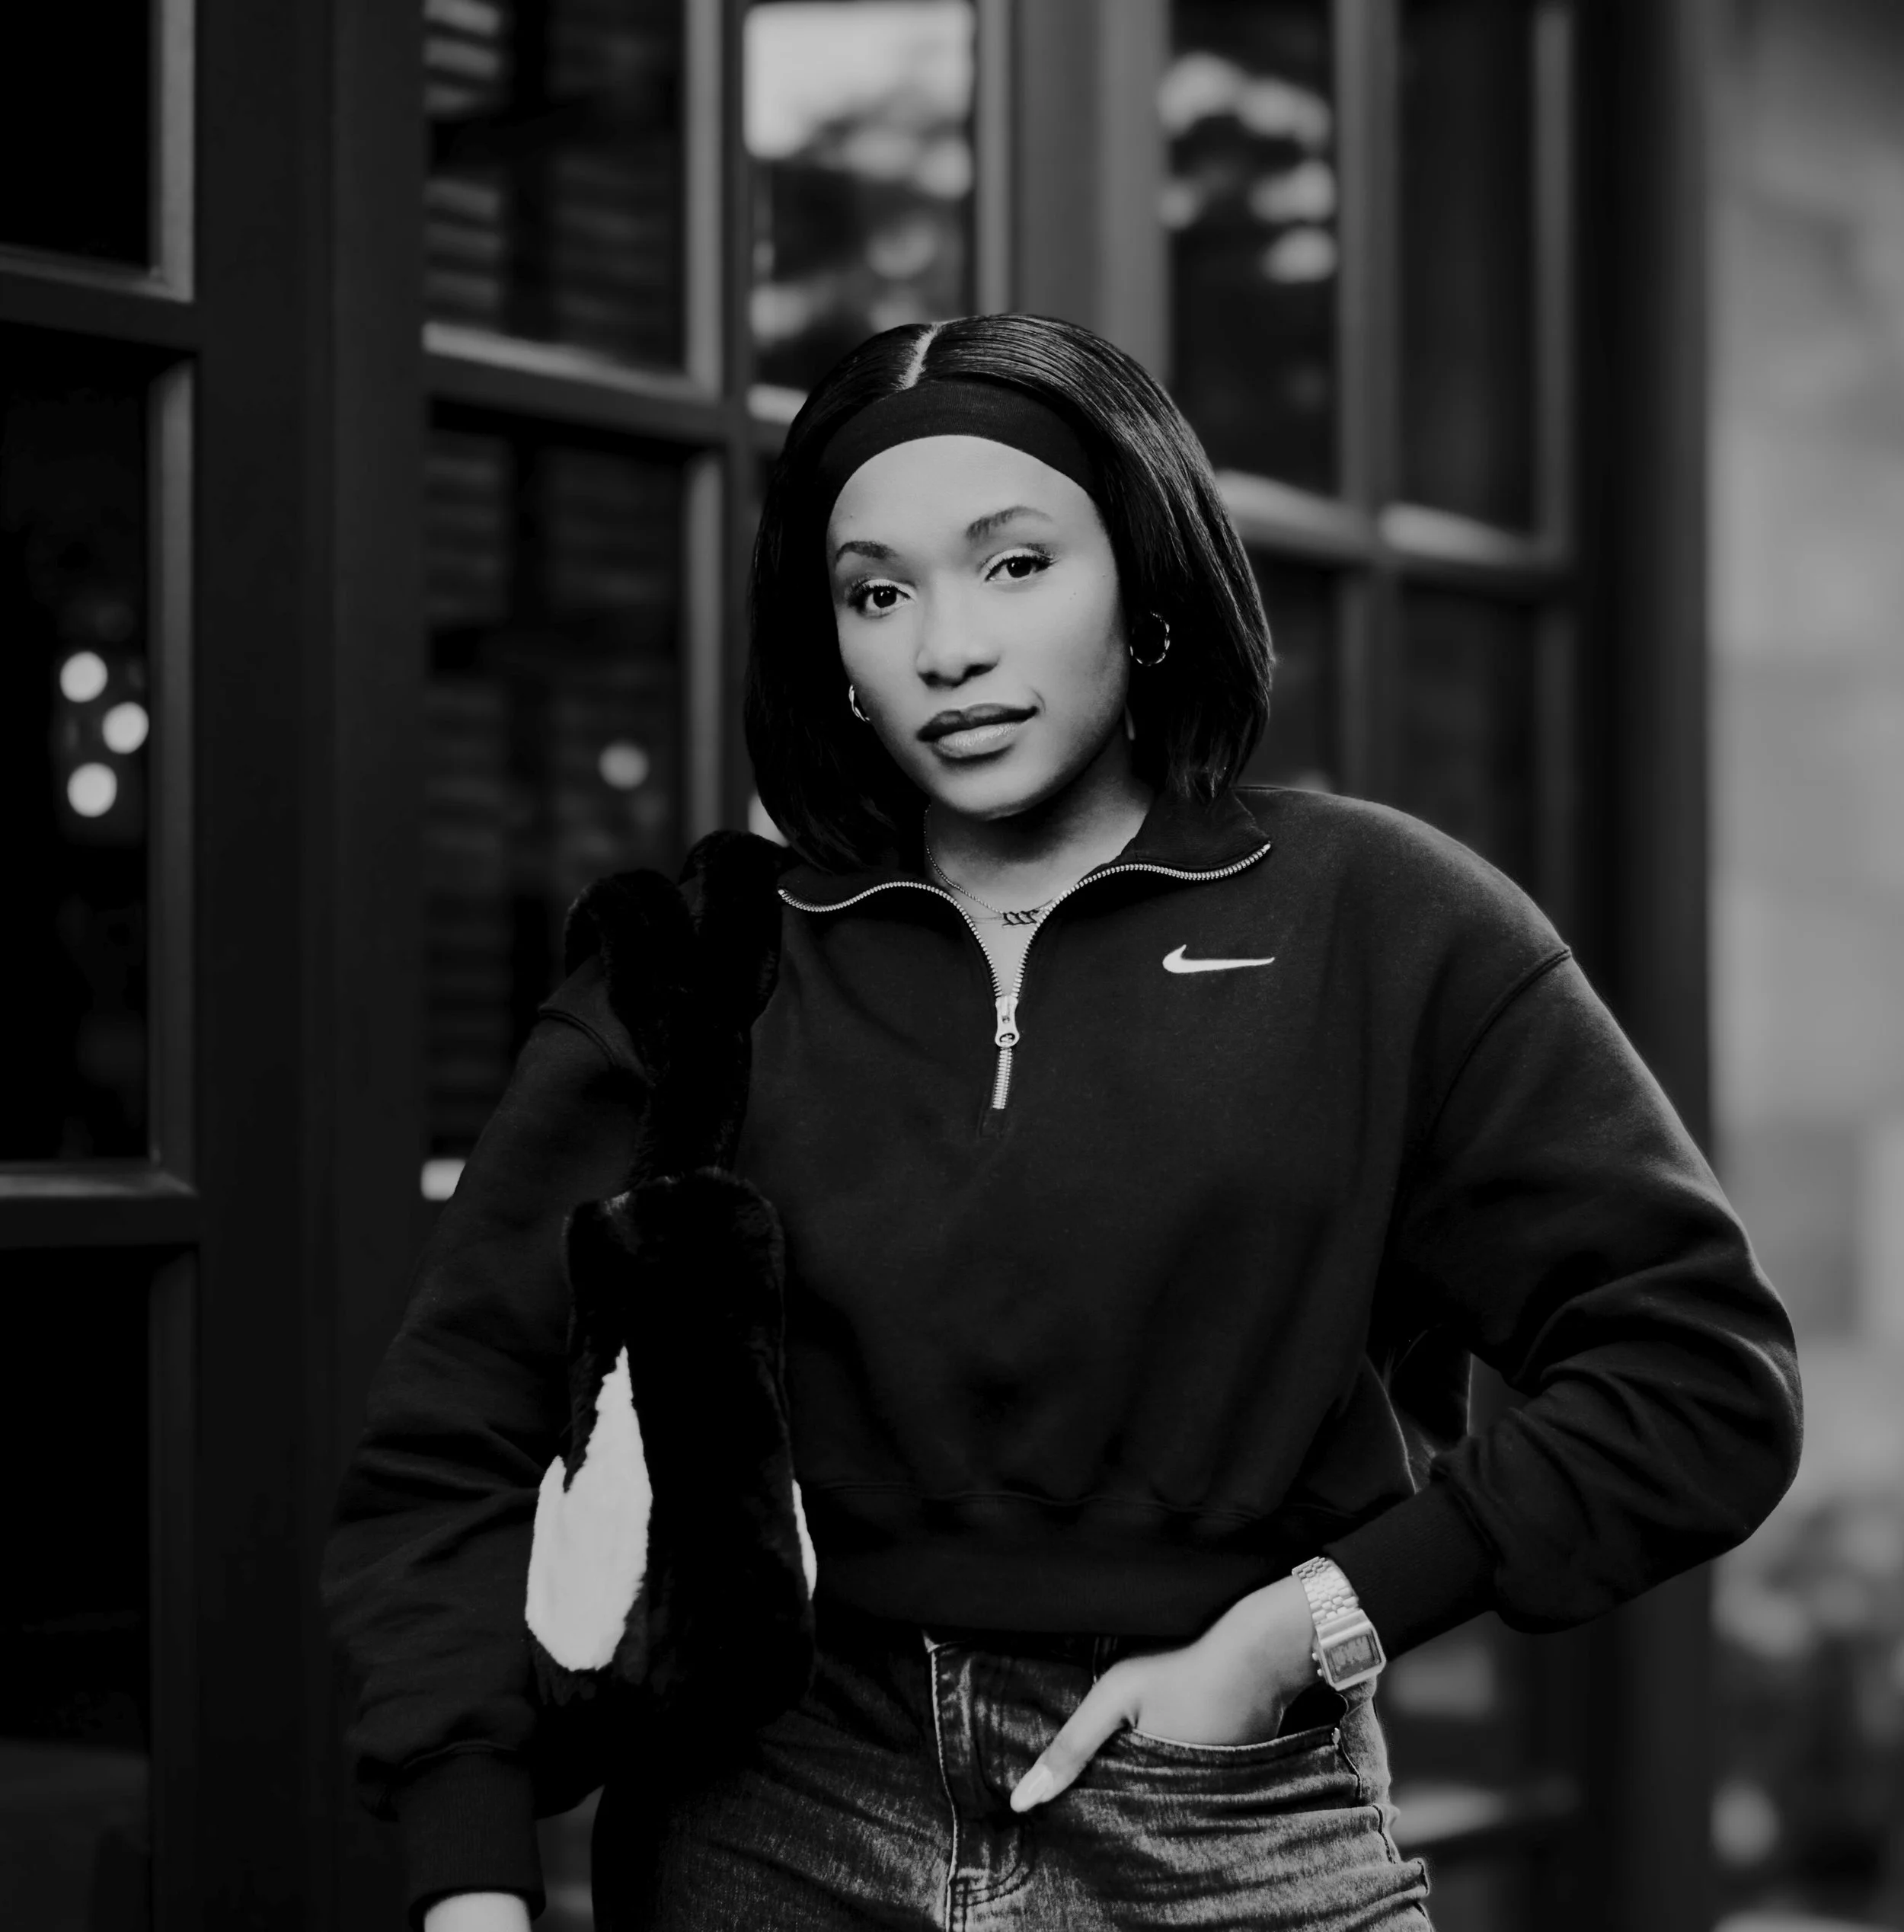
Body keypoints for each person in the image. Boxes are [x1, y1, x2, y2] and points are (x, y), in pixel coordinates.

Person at [323, 312, 1803, 1931]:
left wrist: (1307, 1627)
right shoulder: (694, 969)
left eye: (1014, 564)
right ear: (832, 649)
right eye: (877, 592)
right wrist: (469, 1880)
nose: (947, 647)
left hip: (1224, 1813)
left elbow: (1697, 1373)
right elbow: (456, 1438)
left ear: (1144, 588)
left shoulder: (1384, 922)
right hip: (771, 1822)